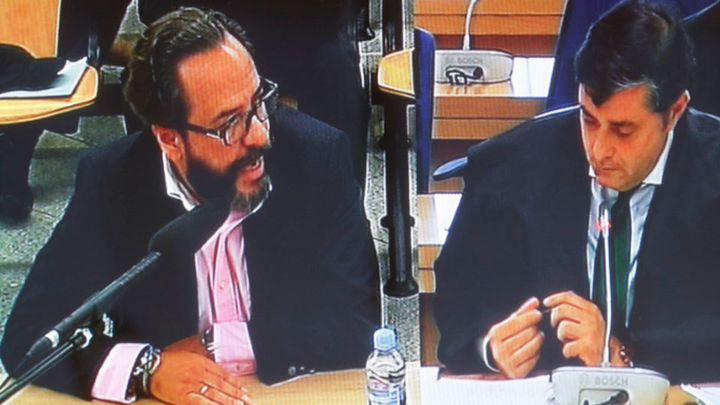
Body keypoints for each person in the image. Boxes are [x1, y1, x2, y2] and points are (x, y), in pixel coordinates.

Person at [1, 8, 379, 404]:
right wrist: (146, 370)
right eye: (229, 124)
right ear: (169, 139)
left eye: (260, 102)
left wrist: (217, 344)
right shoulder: (113, 181)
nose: (259, 135)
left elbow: (361, 324)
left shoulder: (317, 158)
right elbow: (29, 338)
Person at [434, 0, 720, 384]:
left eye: (623, 130)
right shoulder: (507, 168)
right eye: (589, 119)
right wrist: (489, 347)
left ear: (674, 111)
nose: (599, 150)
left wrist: (622, 352)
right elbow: (457, 299)